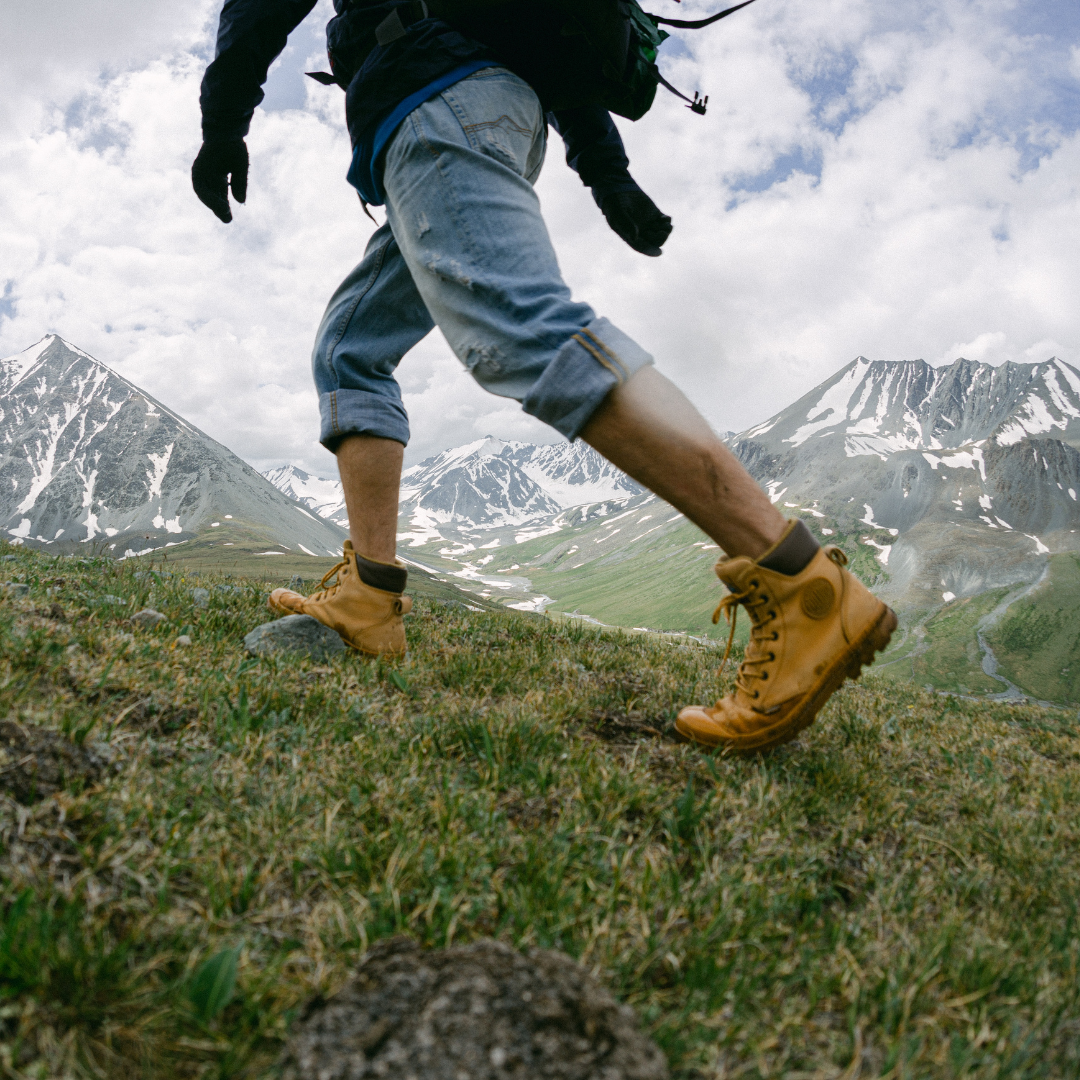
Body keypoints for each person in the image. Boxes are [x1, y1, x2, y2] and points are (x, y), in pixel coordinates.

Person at [192, 0, 896, 753]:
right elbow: (536, 32)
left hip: (436, 105)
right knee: (350, 350)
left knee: (523, 330)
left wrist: (222, 124)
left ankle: (801, 584)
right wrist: (608, 175)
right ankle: (369, 594)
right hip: (472, 105)